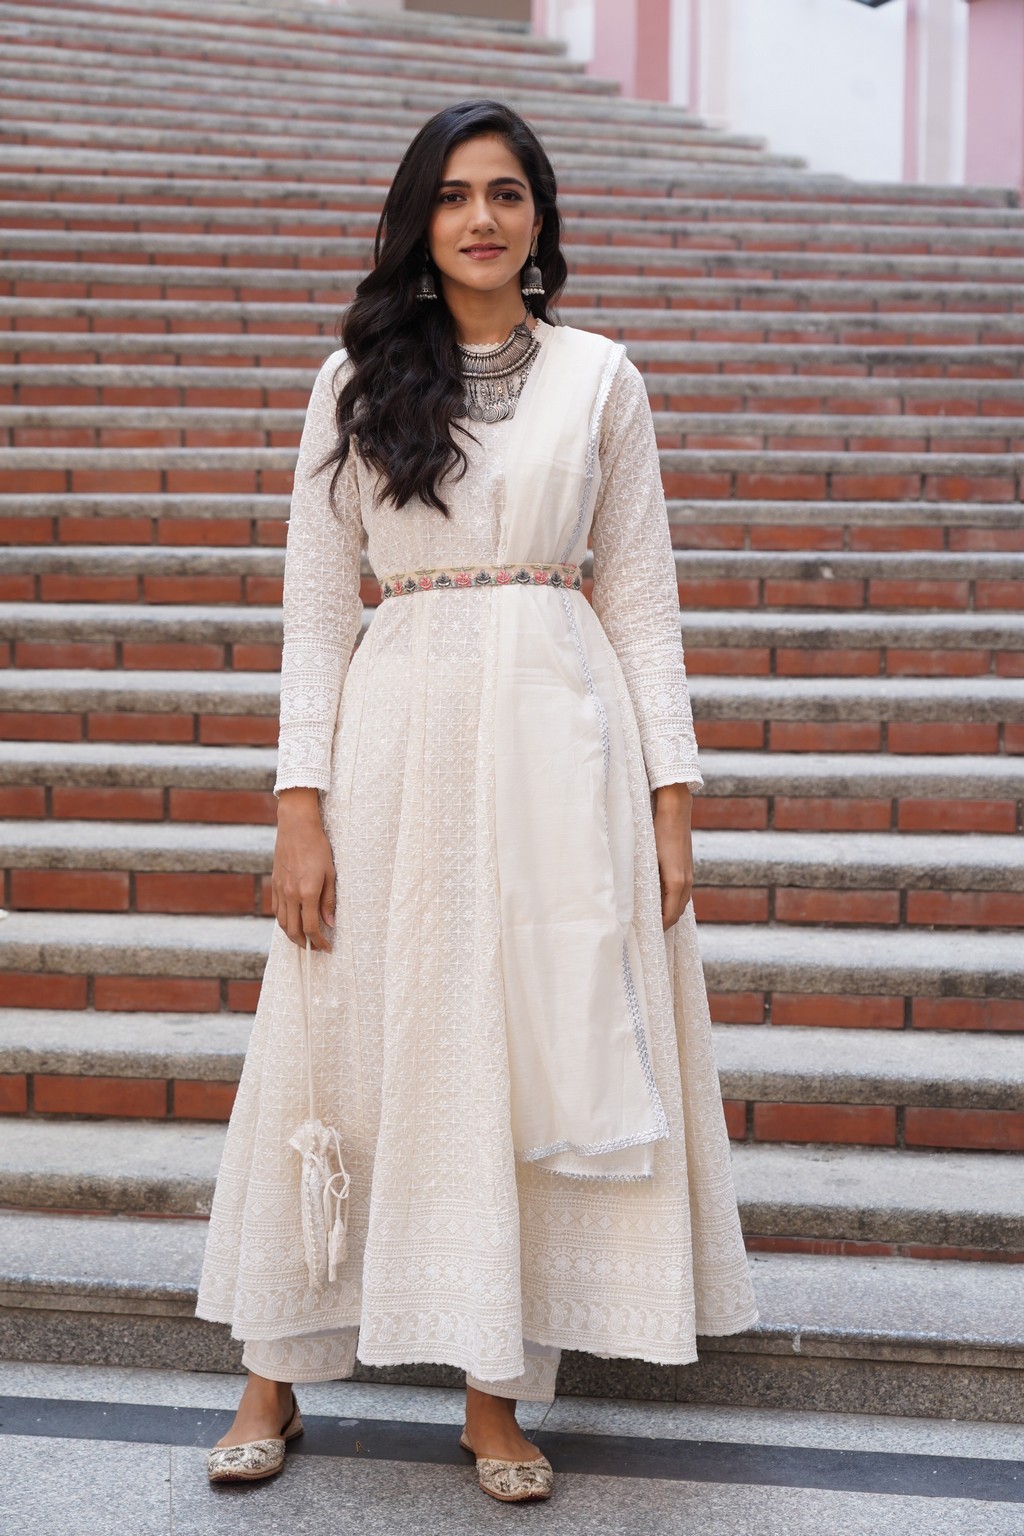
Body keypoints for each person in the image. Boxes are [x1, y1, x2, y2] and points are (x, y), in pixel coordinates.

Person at [197, 98, 757, 1506]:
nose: (482, 218)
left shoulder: (603, 378)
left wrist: (672, 795)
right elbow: (316, 617)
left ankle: (493, 1397)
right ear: (419, 219)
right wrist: (298, 805)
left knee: (526, 1051)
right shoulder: (354, 381)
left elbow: (643, 602)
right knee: (337, 1043)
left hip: (564, 755)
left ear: (540, 216)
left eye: (506, 192)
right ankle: (271, 1375)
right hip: (395, 747)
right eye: (453, 195)